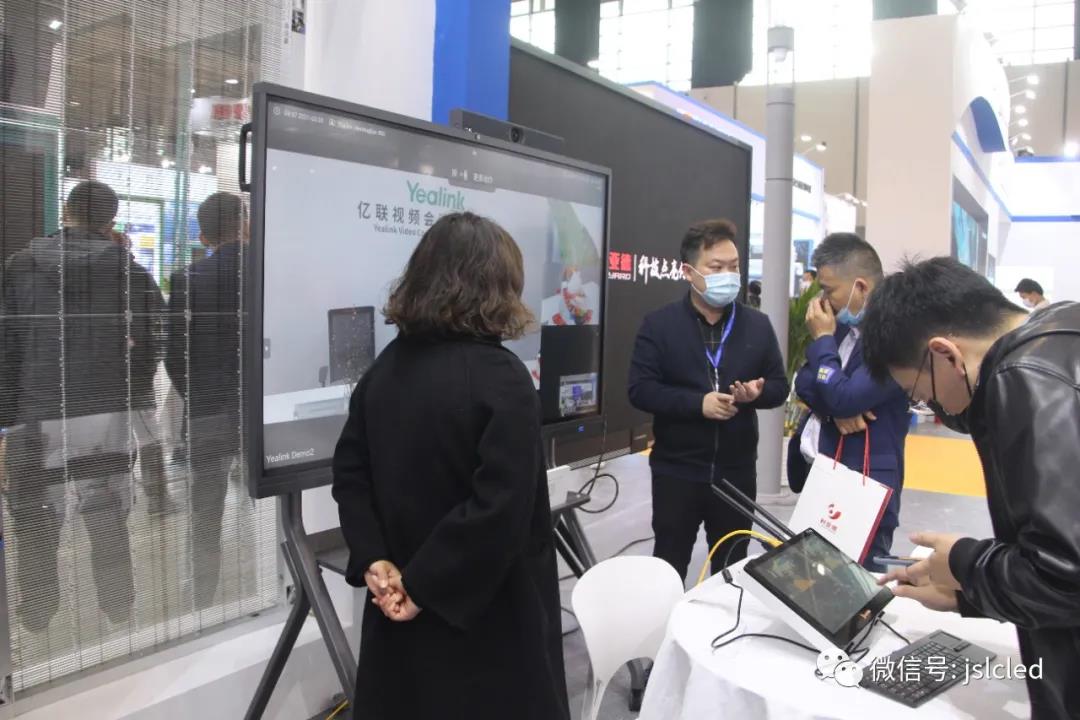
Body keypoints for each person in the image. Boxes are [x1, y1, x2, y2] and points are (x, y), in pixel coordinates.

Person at [331, 212, 570, 720]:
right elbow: (499, 509)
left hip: (394, 614)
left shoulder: (383, 371)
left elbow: (351, 475)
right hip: (485, 627)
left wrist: (375, 560)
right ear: (498, 287)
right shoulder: (504, 379)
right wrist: (422, 587)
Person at [861, 257, 1080, 720]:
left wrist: (965, 562)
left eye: (920, 393)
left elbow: (1064, 576)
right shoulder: (1063, 329)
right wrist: (968, 593)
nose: (931, 407)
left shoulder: (1022, 379)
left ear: (945, 353)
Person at [0, 180, 163, 631]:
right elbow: (155, 340)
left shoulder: (19, 267)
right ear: (110, 221)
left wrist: (8, 418)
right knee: (107, 512)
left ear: (64, 212)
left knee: (35, 517)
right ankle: (118, 608)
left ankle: (37, 615)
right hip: (107, 413)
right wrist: (133, 390)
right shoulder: (129, 273)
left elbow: (6, 347)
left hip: (36, 414)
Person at [628, 218, 788, 582]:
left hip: (736, 473)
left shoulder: (757, 326)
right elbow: (640, 389)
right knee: (668, 567)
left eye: (734, 267)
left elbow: (780, 386)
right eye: (716, 268)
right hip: (677, 471)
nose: (727, 276)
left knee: (732, 570)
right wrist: (696, 404)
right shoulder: (659, 326)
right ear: (689, 271)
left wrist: (756, 394)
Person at [790, 233, 909, 571]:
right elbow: (804, 383)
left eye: (829, 290)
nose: (823, 301)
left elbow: (845, 397)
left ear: (861, 287)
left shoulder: (895, 337)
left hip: (864, 481)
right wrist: (833, 412)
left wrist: (823, 340)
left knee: (859, 582)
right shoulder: (842, 325)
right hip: (825, 474)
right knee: (813, 578)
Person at [165, 192, 247, 610]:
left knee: (206, 509)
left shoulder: (187, 280)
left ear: (204, 234)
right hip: (259, 412)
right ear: (243, 223)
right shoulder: (269, 272)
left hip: (208, 409)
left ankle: (202, 598)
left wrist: (197, 394)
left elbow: (173, 356)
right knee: (283, 503)